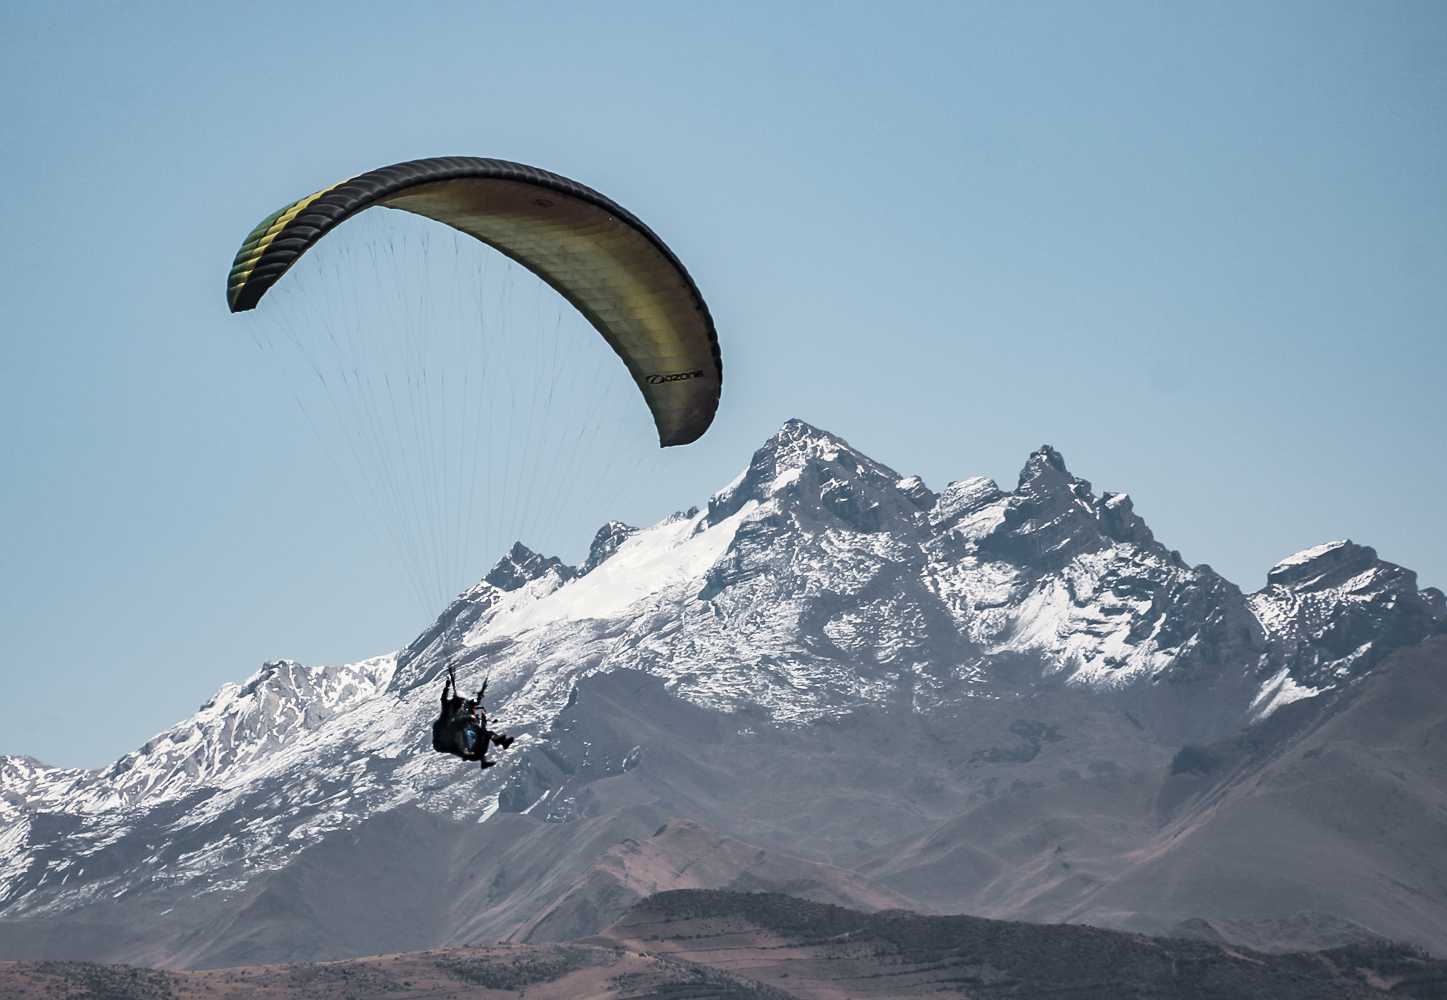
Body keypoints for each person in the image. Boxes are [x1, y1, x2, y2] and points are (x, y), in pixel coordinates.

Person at [432, 666, 515, 768]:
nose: (462, 706)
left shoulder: (457, 711)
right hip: (448, 739)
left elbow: (468, 709)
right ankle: (495, 744)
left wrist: (479, 696)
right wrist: (447, 687)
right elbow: (445, 703)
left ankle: (494, 747)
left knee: (481, 732)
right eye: (461, 703)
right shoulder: (448, 713)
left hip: (457, 739)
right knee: (478, 731)